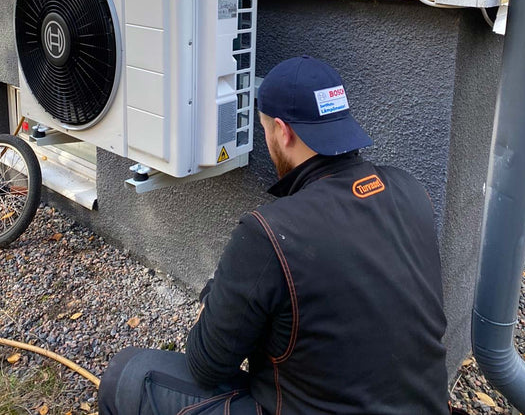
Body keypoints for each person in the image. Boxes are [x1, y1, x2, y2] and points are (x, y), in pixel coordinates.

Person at [98, 55, 449, 415]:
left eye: (265, 130)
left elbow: (207, 365)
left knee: (126, 374)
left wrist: (216, 294)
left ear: (283, 131)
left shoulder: (270, 233)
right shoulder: (411, 191)